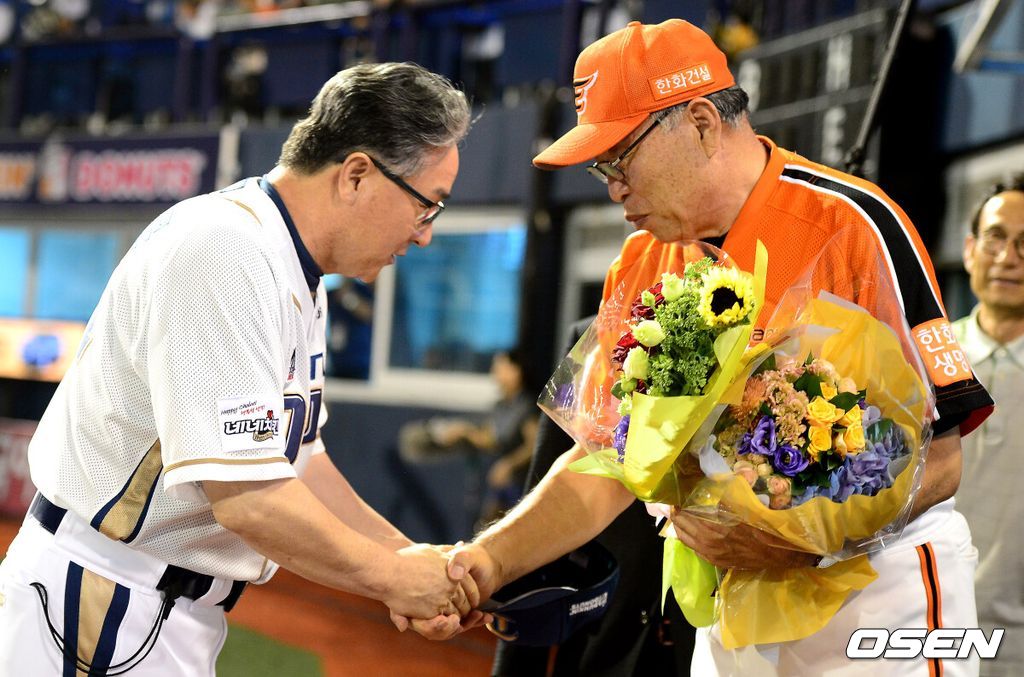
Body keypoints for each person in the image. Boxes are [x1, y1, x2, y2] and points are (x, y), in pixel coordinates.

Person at [434, 19, 994, 675]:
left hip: (880, 595)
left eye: (619, 157)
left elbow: (944, 459)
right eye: (598, 167)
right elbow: (601, 460)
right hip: (736, 607)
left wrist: (801, 539)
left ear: (701, 122)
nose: (611, 186)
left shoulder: (851, 223)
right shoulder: (643, 260)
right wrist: (488, 557)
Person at [0, 62, 483, 675]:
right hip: (103, 593)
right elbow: (247, 498)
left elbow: (298, 461)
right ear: (358, 174)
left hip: (152, 605)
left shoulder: (292, 264)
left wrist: (410, 556)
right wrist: (393, 578)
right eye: (426, 206)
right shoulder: (228, 249)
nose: (425, 235)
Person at [491, 318, 694, 677]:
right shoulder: (597, 336)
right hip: (603, 639)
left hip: (710, 649)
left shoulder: (771, 340)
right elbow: (545, 515)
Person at [953, 174, 1024, 676]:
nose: (1008, 257)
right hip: (918, 632)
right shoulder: (916, 362)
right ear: (970, 249)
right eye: (996, 238)